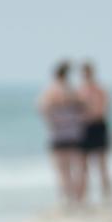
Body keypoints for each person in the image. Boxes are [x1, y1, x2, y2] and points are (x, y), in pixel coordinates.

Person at [37, 61, 85, 207]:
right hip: (74, 133)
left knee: (62, 169)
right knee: (75, 168)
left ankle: (66, 198)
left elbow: (43, 109)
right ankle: (77, 199)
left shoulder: (51, 90)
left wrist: (53, 120)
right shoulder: (73, 91)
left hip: (59, 133)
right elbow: (83, 110)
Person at [78, 61, 112, 204]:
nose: (86, 75)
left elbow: (102, 110)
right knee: (83, 166)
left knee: (102, 165)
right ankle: (84, 199)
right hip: (85, 127)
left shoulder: (100, 89)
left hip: (98, 126)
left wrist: (90, 114)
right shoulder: (80, 90)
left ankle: (107, 197)